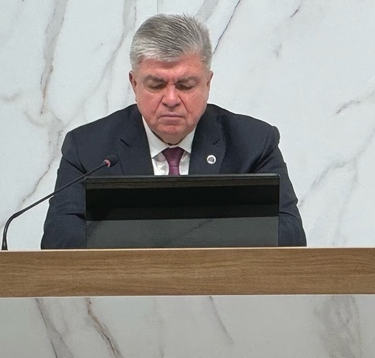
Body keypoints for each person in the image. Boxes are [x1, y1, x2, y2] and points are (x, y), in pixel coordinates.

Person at [41, 13, 304, 248]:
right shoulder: (88, 147)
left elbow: (290, 235)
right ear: (134, 84)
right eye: (156, 85)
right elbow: (59, 240)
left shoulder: (253, 143)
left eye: (185, 85)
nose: (170, 99)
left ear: (208, 83)